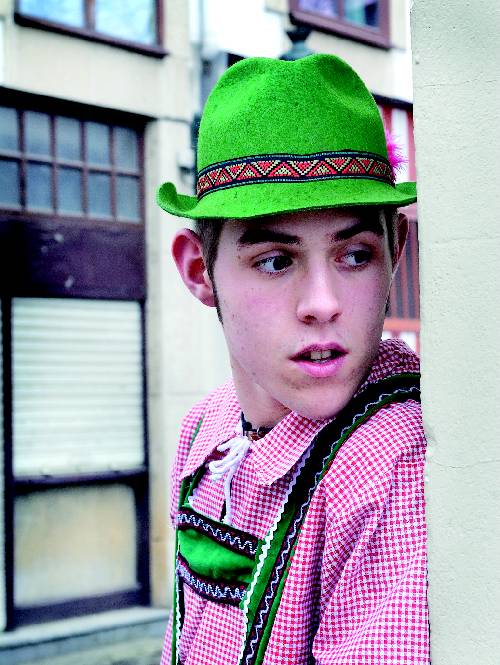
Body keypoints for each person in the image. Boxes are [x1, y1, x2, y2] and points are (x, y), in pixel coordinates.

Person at [157, 53, 429, 665]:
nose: (323, 303)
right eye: (276, 261)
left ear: (395, 250)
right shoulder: (204, 432)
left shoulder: (392, 464)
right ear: (200, 271)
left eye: (354, 255)